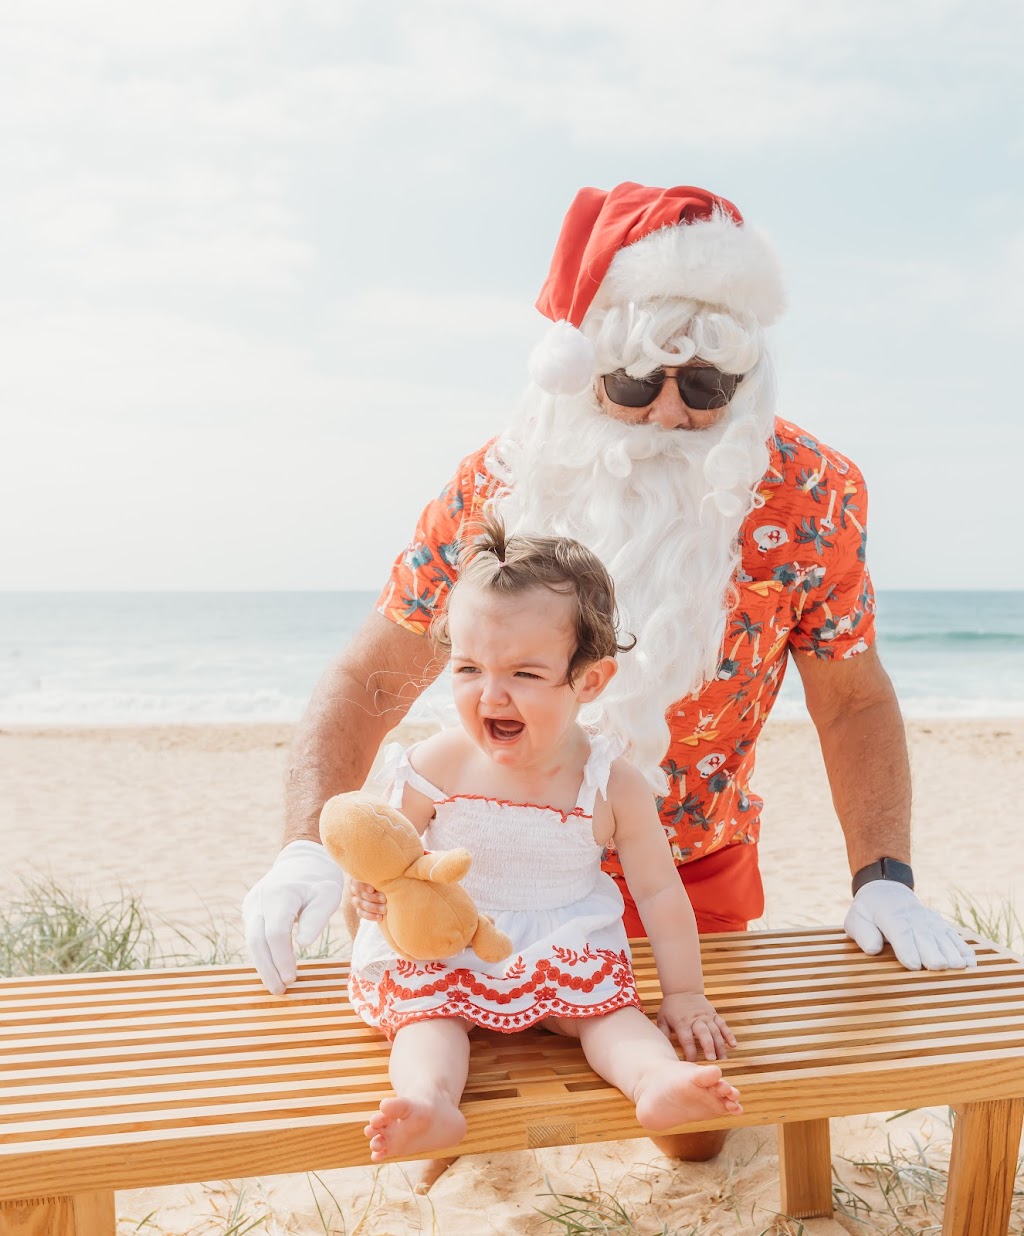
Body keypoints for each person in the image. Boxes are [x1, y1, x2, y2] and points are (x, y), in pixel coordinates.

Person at [244, 180, 975, 1168]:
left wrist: (882, 877)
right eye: (634, 382)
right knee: (451, 1082)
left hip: (692, 861)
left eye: (705, 385)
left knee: (695, 1140)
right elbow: (373, 678)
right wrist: (306, 849)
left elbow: (849, 696)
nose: (671, 414)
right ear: (582, 366)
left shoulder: (812, 493)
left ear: (743, 381)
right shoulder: (493, 487)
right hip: (476, 875)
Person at [349, 519, 741, 1165]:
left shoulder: (609, 783)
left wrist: (684, 995)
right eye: (468, 668)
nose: (490, 694)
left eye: (526, 673)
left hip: (563, 943)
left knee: (612, 1019)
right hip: (450, 941)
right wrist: (369, 894)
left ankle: (656, 1081)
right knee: (428, 1020)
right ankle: (430, 1101)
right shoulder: (434, 764)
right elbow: (390, 857)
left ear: (589, 681)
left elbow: (659, 892)